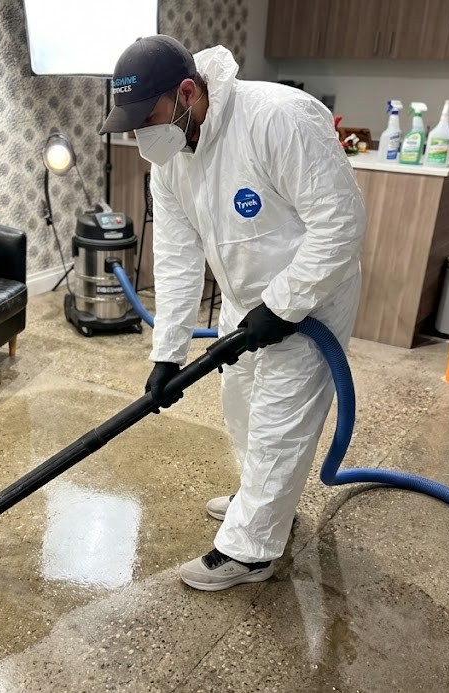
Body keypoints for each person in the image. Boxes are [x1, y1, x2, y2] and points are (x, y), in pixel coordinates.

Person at [100, 35, 367, 591]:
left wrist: (285, 304)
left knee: (278, 422)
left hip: (310, 297)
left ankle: (251, 551)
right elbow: (177, 256)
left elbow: (340, 224)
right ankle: (263, 503)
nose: (141, 135)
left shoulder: (277, 118)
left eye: (146, 118)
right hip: (245, 302)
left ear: (186, 92)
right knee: (241, 405)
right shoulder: (171, 157)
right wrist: (168, 354)